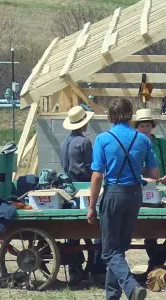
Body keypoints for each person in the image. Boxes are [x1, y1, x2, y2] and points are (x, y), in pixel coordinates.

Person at [87, 98, 159, 300]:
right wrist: (136, 170)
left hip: (114, 193)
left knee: (109, 251)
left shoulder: (103, 139)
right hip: (135, 194)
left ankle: (131, 286)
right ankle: (112, 295)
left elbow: (97, 175)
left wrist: (92, 206)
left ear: (110, 116)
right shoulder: (143, 139)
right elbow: (154, 173)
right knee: (119, 249)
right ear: (131, 114)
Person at [133, 108, 166, 272]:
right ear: (137, 128)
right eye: (142, 126)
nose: (145, 129)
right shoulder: (133, 145)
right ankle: (155, 265)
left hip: (165, 193)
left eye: (147, 125)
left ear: (152, 126)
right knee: (149, 232)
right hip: (143, 193)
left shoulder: (163, 143)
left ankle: (156, 261)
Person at [61, 105, 100, 284]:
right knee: (96, 228)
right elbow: (90, 168)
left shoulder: (64, 142)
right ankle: (97, 268)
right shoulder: (84, 142)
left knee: (72, 231)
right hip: (84, 186)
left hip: (68, 187)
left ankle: (74, 268)